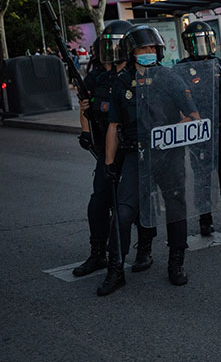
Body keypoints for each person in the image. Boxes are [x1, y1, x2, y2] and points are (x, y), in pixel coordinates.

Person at [100, 24, 200, 296]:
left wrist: (177, 128)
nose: (148, 52)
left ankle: (176, 262)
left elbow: (193, 116)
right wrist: (109, 164)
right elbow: (113, 126)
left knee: (176, 208)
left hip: (168, 154)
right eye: (142, 48)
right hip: (136, 154)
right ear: (131, 52)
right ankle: (115, 270)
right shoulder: (122, 82)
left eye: (151, 48)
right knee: (123, 212)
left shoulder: (169, 78)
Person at [71, 21, 132, 278]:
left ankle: (143, 250)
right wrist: (86, 132)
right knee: (98, 203)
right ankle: (98, 254)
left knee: (130, 205)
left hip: (132, 148)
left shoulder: (137, 73)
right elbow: (85, 106)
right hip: (107, 149)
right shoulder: (97, 76)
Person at [178, 21, 221, 236]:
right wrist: (183, 117)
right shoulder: (181, 68)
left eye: (205, 41)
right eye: (197, 42)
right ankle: (205, 218)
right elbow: (174, 97)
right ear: (188, 45)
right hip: (199, 132)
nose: (202, 46)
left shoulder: (217, 64)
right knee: (202, 176)